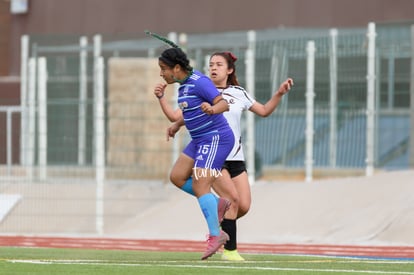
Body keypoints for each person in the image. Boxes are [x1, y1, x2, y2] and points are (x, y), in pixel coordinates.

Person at [155, 51, 293, 261]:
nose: (213, 68)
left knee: (242, 205)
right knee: (216, 193)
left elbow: (262, 110)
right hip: (212, 145)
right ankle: (228, 249)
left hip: (232, 153)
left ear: (229, 70)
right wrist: (172, 117)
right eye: (211, 64)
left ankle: (216, 215)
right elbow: (184, 114)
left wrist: (279, 94)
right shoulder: (194, 86)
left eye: (219, 64)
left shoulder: (233, 92)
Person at [154, 47, 235, 260]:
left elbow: (223, 103)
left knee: (200, 184)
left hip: (215, 137)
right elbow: (178, 115)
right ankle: (216, 202)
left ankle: (216, 235)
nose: (161, 73)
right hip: (199, 139)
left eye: (163, 69)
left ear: (177, 68)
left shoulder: (199, 81)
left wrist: (212, 109)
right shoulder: (183, 87)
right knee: (177, 176)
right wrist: (174, 119)